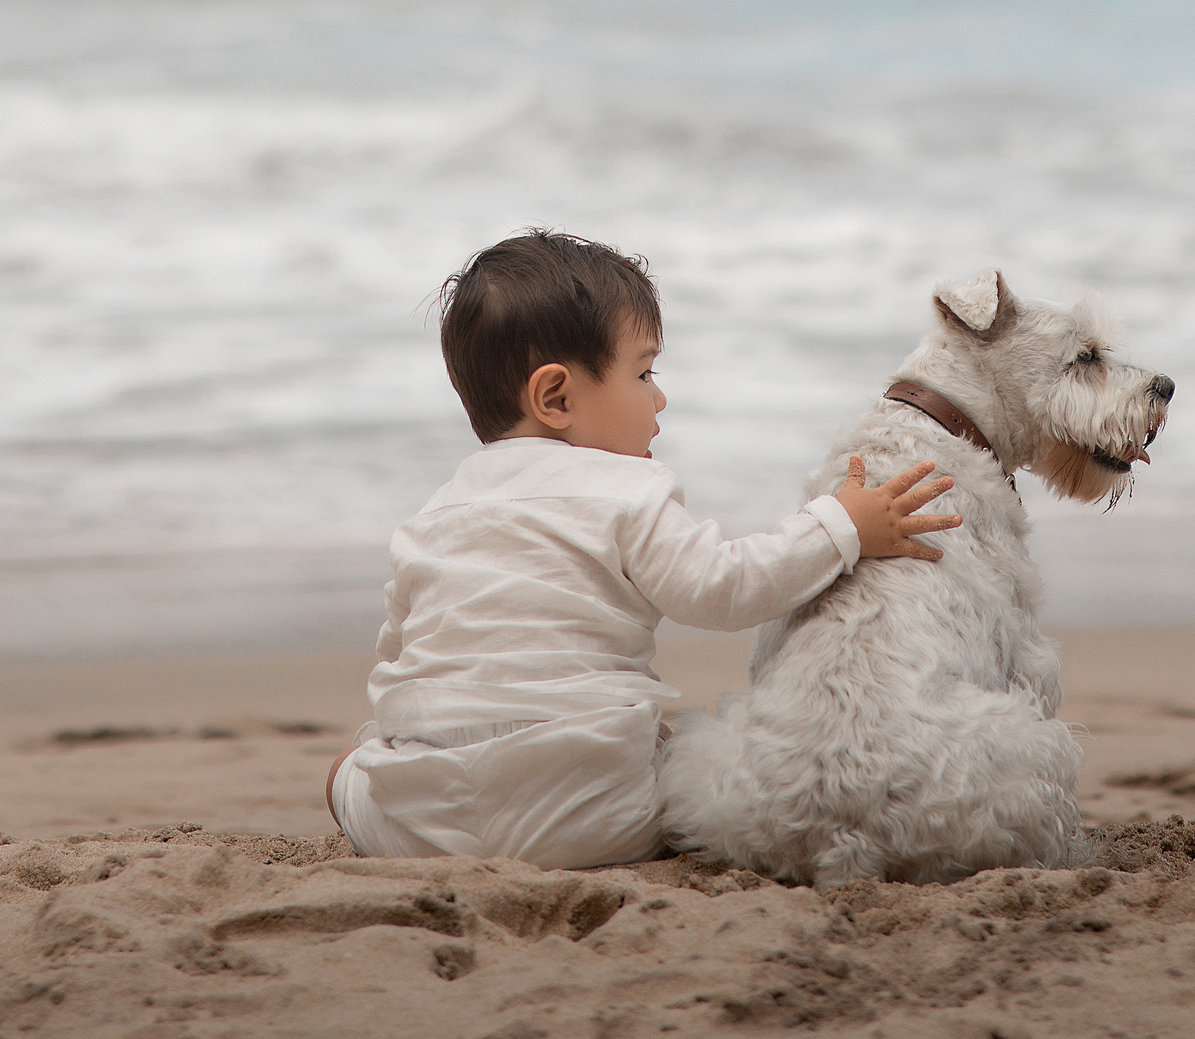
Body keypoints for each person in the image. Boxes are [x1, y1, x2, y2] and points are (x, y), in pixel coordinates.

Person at [326, 229, 958, 869]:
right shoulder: (627, 490)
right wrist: (841, 525)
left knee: (349, 769)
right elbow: (723, 588)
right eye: (644, 371)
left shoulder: (433, 516)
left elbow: (401, 656)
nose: (659, 398)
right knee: (688, 754)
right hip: (593, 819)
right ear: (557, 397)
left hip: (420, 829)